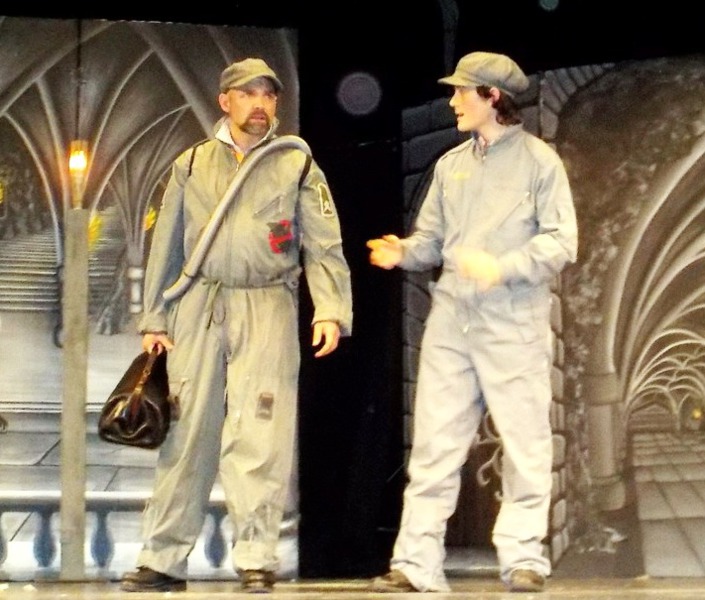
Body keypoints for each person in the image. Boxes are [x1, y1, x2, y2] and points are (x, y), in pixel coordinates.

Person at [120, 57, 353, 594]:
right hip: (198, 304)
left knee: (261, 434)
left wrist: (330, 308)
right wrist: (154, 316)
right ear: (225, 101)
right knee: (186, 432)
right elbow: (165, 243)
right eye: (247, 94)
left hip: (267, 303)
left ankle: (256, 557)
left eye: (267, 95)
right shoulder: (191, 164)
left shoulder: (297, 165)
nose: (259, 105)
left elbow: (324, 244)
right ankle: (163, 559)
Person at [368, 51, 578, 594]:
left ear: (492, 96)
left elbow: (561, 243)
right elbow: (431, 241)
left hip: (514, 323)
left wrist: (502, 267)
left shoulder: (540, 163)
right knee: (433, 447)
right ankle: (415, 564)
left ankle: (524, 558)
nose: (453, 101)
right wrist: (403, 251)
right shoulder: (450, 166)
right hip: (452, 320)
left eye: (462, 91)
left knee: (526, 443)